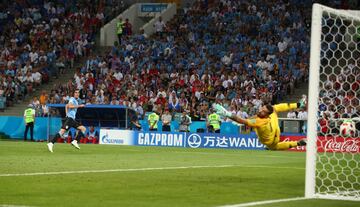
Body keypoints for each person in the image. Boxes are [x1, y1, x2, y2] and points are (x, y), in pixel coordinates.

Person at [213, 101, 307, 150]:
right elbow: (284, 106)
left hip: (269, 141)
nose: (260, 110)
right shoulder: (271, 112)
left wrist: (227, 114)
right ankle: (298, 143)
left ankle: (297, 143)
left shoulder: (259, 121)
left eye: (263, 111)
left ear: (266, 114)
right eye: (262, 108)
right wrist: (297, 104)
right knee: (275, 108)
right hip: (275, 130)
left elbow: (241, 120)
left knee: (274, 147)